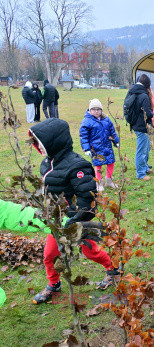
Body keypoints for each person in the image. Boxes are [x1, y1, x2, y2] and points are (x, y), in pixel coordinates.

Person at [28, 118, 119, 304]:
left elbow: (89, 198)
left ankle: (113, 268)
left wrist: (76, 219)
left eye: (40, 142)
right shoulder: (47, 163)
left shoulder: (78, 166)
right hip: (57, 219)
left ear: (53, 142)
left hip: (76, 220)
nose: (38, 146)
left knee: (90, 252)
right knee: (49, 255)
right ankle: (54, 284)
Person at [80, 99, 120, 192]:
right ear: (90, 110)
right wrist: (86, 149)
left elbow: (112, 131)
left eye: (98, 109)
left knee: (111, 162)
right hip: (95, 148)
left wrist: (115, 141)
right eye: (94, 109)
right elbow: (84, 136)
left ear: (101, 110)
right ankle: (98, 183)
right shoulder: (86, 121)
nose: (96, 111)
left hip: (107, 146)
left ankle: (109, 181)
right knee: (98, 165)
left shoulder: (106, 119)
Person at [125, 74, 154, 181]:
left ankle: (145, 167)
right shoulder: (143, 95)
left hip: (135, 124)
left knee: (146, 148)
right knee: (142, 150)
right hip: (142, 126)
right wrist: (152, 113)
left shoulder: (132, 92)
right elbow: (148, 113)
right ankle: (141, 173)